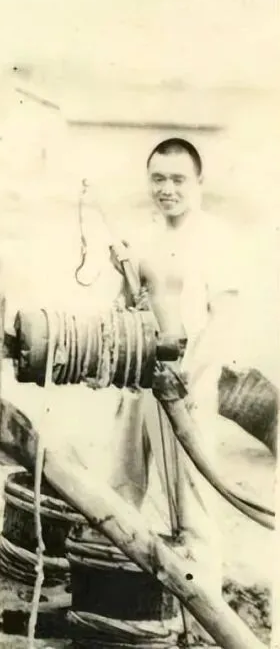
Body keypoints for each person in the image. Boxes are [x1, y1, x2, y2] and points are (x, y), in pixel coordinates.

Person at [108, 138, 240, 618]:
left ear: (199, 182)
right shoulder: (142, 237)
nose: (167, 189)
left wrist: (188, 375)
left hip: (187, 380)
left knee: (193, 503)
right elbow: (126, 309)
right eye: (158, 178)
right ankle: (118, 601)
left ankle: (208, 618)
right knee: (120, 488)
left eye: (178, 179)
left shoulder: (215, 238)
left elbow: (225, 318)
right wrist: (122, 276)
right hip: (141, 375)